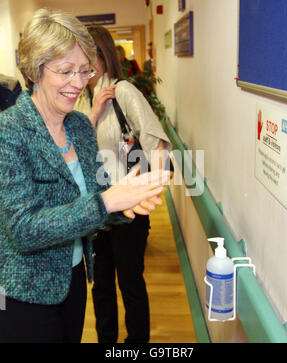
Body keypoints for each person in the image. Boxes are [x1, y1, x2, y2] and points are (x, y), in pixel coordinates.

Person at [0, 8, 170, 344]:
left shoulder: (79, 126)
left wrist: (128, 202)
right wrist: (109, 200)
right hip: (26, 293)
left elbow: (97, 198)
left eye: (84, 70)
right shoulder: (9, 131)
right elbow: (23, 228)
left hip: (74, 278)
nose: (79, 83)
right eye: (66, 71)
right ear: (35, 70)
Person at [75, 26, 171, 343]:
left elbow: (156, 144)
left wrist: (148, 193)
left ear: (103, 57)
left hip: (129, 207)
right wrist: (93, 112)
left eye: (91, 56)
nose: (84, 63)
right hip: (96, 207)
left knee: (129, 281)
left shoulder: (124, 91)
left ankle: (136, 344)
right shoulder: (77, 100)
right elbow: (71, 149)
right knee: (100, 284)